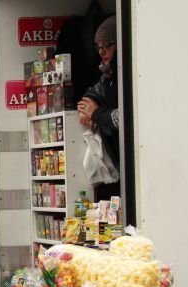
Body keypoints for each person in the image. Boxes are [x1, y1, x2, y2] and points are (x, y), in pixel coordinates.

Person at [78, 15, 119, 200]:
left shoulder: (127, 74)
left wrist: (95, 113)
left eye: (107, 45)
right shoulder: (108, 74)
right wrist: (86, 104)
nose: (102, 52)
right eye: (98, 46)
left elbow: (125, 117)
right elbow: (96, 90)